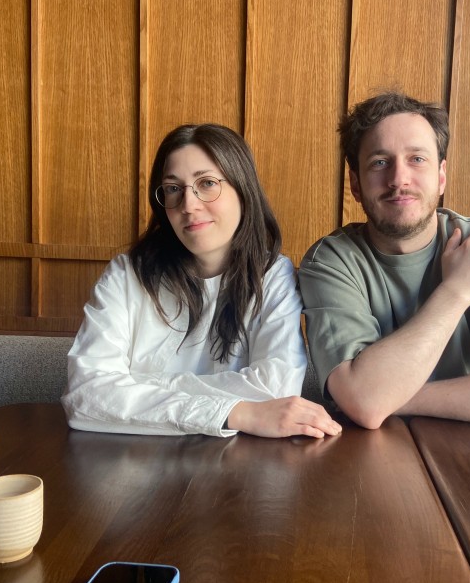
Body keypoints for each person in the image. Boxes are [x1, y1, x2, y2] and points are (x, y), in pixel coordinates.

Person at [299, 92, 470, 430]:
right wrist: (458, 291)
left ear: (441, 176)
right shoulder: (330, 261)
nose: (399, 179)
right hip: (365, 450)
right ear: (356, 184)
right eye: (379, 162)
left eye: (417, 159)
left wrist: (384, 398)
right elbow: (363, 401)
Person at [62, 124, 341, 439]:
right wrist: (236, 413)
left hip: (241, 463)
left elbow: (275, 391)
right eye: (173, 188)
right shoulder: (127, 274)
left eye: (207, 183)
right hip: (131, 458)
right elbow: (87, 395)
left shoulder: (273, 275)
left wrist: (136, 386)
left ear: (243, 189)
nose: (188, 205)